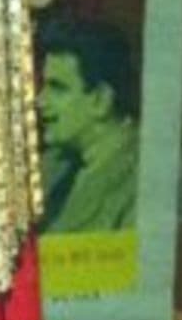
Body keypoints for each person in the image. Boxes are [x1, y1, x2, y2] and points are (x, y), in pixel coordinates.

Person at [37, 17, 139, 235]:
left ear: (101, 100)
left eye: (58, 88)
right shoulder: (51, 163)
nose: (40, 101)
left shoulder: (141, 182)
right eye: (44, 86)